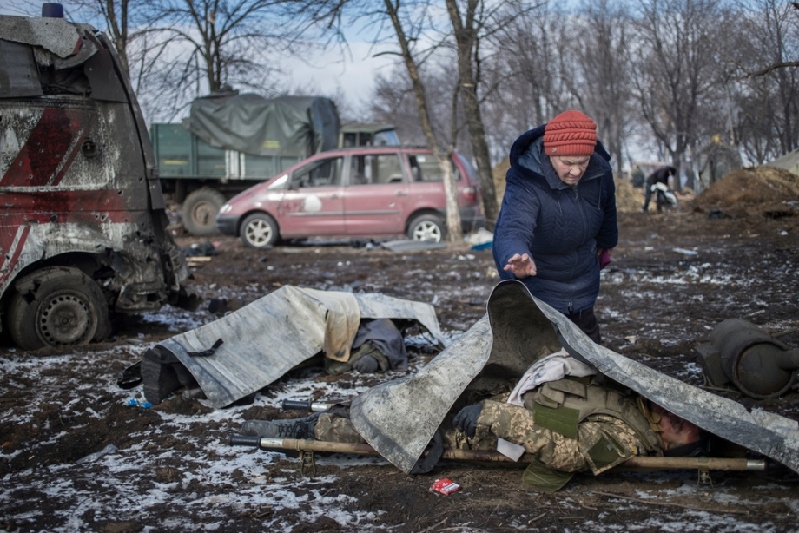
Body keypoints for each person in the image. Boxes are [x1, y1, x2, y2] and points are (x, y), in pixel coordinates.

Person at [240, 356, 705, 491]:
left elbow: (570, 453)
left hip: (492, 429)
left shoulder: (626, 439)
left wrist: (495, 415)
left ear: (671, 444)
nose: (677, 417)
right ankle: (326, 412)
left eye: (683, 428)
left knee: (398, 425)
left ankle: (299, 432)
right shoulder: (639, 403)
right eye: (685, 416)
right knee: (408, 395)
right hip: (507, 398)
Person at [492, 110, 617, 344]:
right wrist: (516, 255)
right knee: (540, 351)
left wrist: (607, 241)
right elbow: (512, 227)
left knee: (589, 353)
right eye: (567, 163)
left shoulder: (600, 172)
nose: (576, 171)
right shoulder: (525, 180)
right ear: (551, 154)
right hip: (538, 278)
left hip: (581, 276)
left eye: (583, 162)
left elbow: (607, 207)